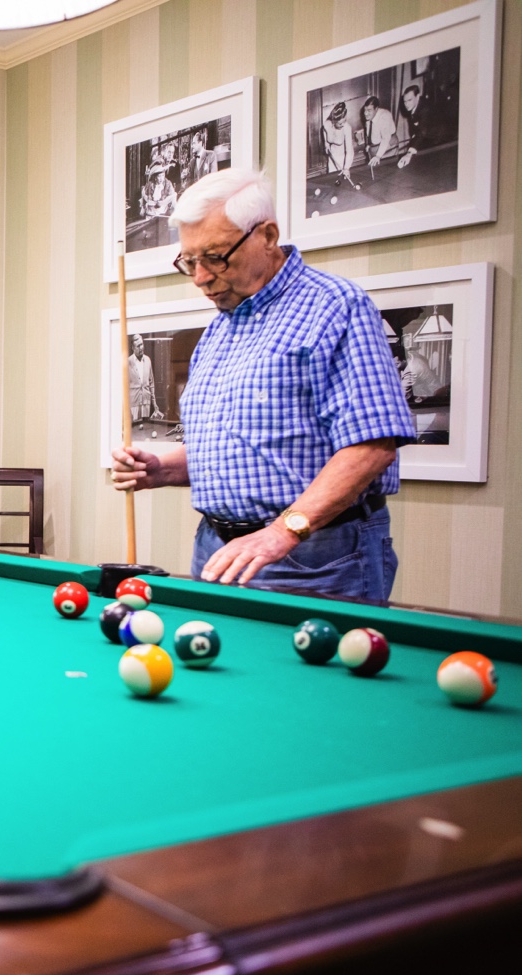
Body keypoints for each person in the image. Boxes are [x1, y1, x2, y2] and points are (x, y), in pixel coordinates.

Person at [110, 169, 415, 602]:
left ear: (267, 236)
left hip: (313, 560)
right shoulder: (220, 330)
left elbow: (372, 444)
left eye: (215, 257)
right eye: (189, 261)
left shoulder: (335, 307)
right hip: (218, 551)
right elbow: (235, 447)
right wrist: (162, 469)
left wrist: (280, 534)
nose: (200, 277)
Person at [127, 333, 162, 428]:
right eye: (138, 346)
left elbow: (151, 383)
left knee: (145, 429)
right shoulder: (127, 362)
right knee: (134, 430)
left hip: (146, 403)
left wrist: (154, 404)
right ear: (133, 348)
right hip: (133, 404)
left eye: (142, 344)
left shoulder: (148, 360)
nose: (141, 347)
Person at [322, 101, 359, 189]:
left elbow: (349, 151)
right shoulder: (327, 124)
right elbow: (324, 131)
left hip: (344, 158)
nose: (343, 124)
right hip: (332, 157)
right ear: (334, 121)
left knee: (344, 184)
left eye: (344, 121)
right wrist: (326, 144)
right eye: (340, 123)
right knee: (333, 182)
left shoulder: (347, 128)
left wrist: (346, 168)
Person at [361, 96, 398, 169]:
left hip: (388, 147)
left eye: (369, 110)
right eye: (365, 110)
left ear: (376, 109)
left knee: (388, 170)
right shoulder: (369, 116)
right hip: (376, 147)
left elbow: (385, 139)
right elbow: (370, 132)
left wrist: (378, 156)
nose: (365, 113)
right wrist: (369, 144)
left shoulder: (384, 116)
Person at [396, 85, 428, 169]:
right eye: (405, 101)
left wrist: (409, 153)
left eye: (409, 100)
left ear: (417, 97)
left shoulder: (425, 109)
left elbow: (422, 132)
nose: (406, 104)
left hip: (440, 143)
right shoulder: (412, 108)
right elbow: (415, 131)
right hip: (424, 141)